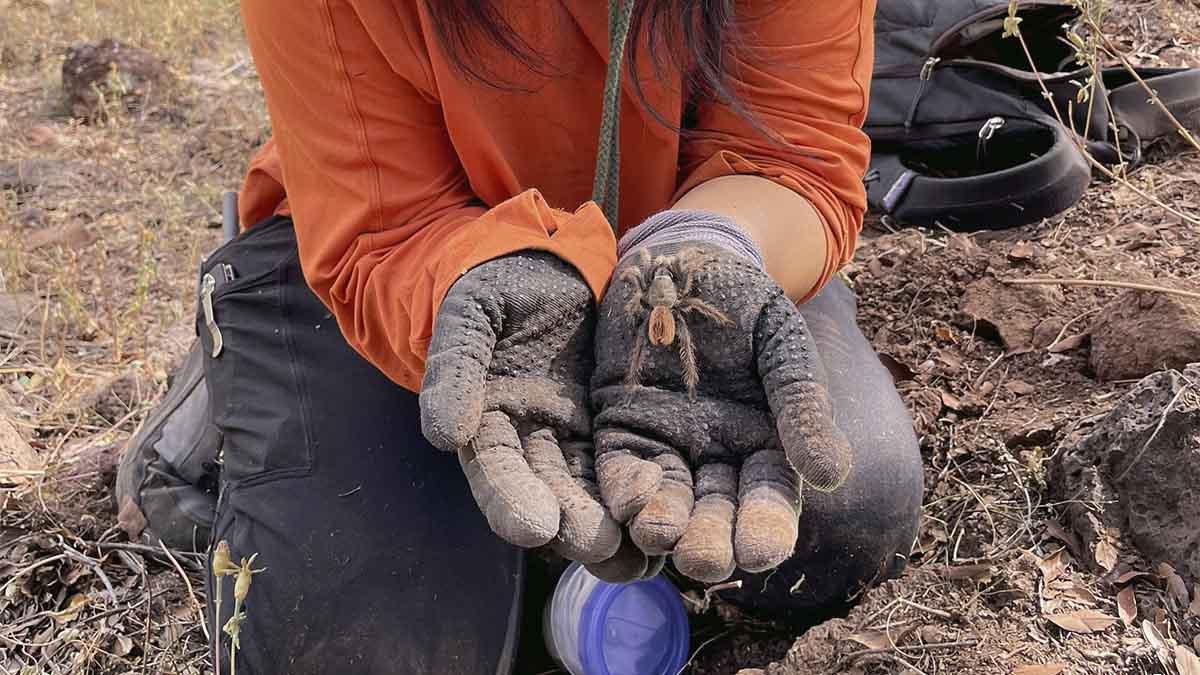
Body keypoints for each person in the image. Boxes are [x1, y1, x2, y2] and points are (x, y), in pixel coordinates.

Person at [196, 0, 923, 672]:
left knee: (848, 513)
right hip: (414, 251)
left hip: (710, 225)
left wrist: (708, 247)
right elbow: (383, 221)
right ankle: (223, 384)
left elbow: (792, 150)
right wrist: (486, 282)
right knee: (349, 645)